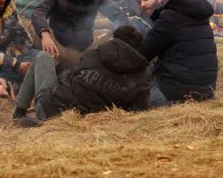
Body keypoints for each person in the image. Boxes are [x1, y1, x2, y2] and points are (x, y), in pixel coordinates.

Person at [12, 25, 151, 126]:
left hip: (50, 110)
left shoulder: (93, 54)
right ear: (136, 49)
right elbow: (139, 113)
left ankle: (19, 112)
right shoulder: (142, 77)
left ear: (114, 40)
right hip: (85, 124)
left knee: (43, 56)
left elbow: (68, 79)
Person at [139, 0, 218, 106]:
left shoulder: (170, 17)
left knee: (138, 94)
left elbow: (143, 54)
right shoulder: (201, 15)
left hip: (180, 92)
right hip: (207, 90)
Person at [32, 0, 126, 69]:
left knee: (116, 38)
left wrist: (124, 31)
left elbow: (117, 13)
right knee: (39, 34)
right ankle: (55, 69)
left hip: (87, 51)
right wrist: (45, 34)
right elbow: (39, 12)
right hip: (59, 49)